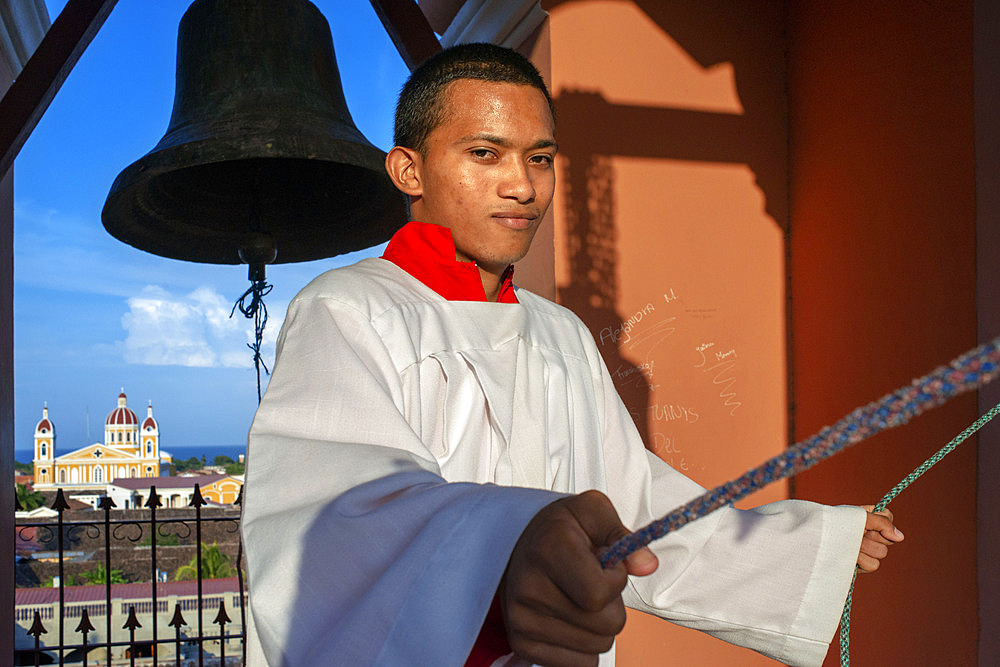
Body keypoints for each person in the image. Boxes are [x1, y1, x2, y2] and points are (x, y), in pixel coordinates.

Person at [241, 43, 903, 667]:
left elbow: (634, 507)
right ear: (409, 170)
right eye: (485, 153)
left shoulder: (560, 335)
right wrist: (506, 548)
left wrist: (806, 549)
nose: (522, 187)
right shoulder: (351, 308)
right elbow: (341, 506)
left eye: (540, 158)